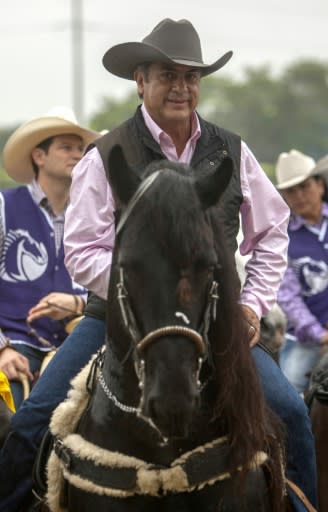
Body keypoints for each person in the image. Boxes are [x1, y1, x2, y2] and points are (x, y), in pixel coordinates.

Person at [0, 19, 316, 512]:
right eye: (168, 74)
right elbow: (82, 247)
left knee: (292, 413)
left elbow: (272, 231)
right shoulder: (105, 155)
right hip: (116, 320)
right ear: (140, 81)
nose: (182, 87)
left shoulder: (232, 149)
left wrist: (252, 304)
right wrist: (149, 298)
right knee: (30, 421)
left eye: (191, 77)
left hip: (216, 322)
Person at [0, 106, 99, 408]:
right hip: (16, 347)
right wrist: (2, 350)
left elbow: (112, 284)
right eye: (66, 147)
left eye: (81, 148)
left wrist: (78, 303)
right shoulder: (3, 206)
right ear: (39, 156)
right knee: (7, 423)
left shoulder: (95, 217)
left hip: (78, 347)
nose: (77, 154)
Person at [276, 150, 328, 394]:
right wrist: (321, 336)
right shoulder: (281, 236)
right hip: (305, 340)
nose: (298, 196)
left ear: (319, 185)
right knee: (288, 399)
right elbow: (288, 296)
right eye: (290, 191)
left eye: (304, 186)